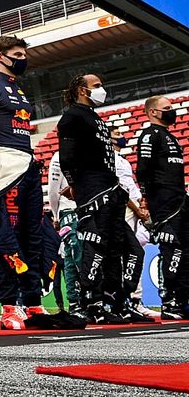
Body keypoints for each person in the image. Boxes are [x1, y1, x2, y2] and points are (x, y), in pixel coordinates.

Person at [0, 36, 61, 331]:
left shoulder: (19, 90)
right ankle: (9, 306)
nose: (23, 59)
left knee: (33, 235)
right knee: (6, 237)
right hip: (3, 165)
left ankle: (33, 302)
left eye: (24, 54)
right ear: (0, 55)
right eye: (17, 54)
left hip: (27, 163)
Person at [58, 74, 134, 324]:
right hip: (92, 192)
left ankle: (112, 302)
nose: (102, 90)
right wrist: (74, 184)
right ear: (82, 90)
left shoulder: (95, 117)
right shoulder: (72, 116)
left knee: (114, 249)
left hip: (111, 189)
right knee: (95, 246)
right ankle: (92, 303)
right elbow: (66, 157)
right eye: (97, 86)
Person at [136, 95, 189, 319]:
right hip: (163, 203)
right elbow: (143, 169)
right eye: (167, 108)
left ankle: (184, 300)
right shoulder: (150, 135)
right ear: (153, 112)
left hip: (180, 199)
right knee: (172, 249)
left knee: (185, 250)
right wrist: (146, 198)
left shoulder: (171, 137)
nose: (171, 111)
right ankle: (170, 302)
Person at [111, 129, 155, 322]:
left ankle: (136, 299)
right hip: (125, 209)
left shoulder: (124, 161)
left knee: (138, 251)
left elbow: (131, 186)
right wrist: (136, 209)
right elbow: (119, 188)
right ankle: (129, 299)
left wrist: (142, 205)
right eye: (117, 133)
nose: (122, 136)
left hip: (136, 208)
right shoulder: (110, 159)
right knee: (128, 254)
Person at [47, 151, 81, 313]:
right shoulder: (58, 157)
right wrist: (56, 215)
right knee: (75, 252)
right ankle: (77, 301)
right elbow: (53, 191)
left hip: (86, 209)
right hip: (68, 210)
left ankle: (82, 300)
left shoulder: (88, 152)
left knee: (75, 254)